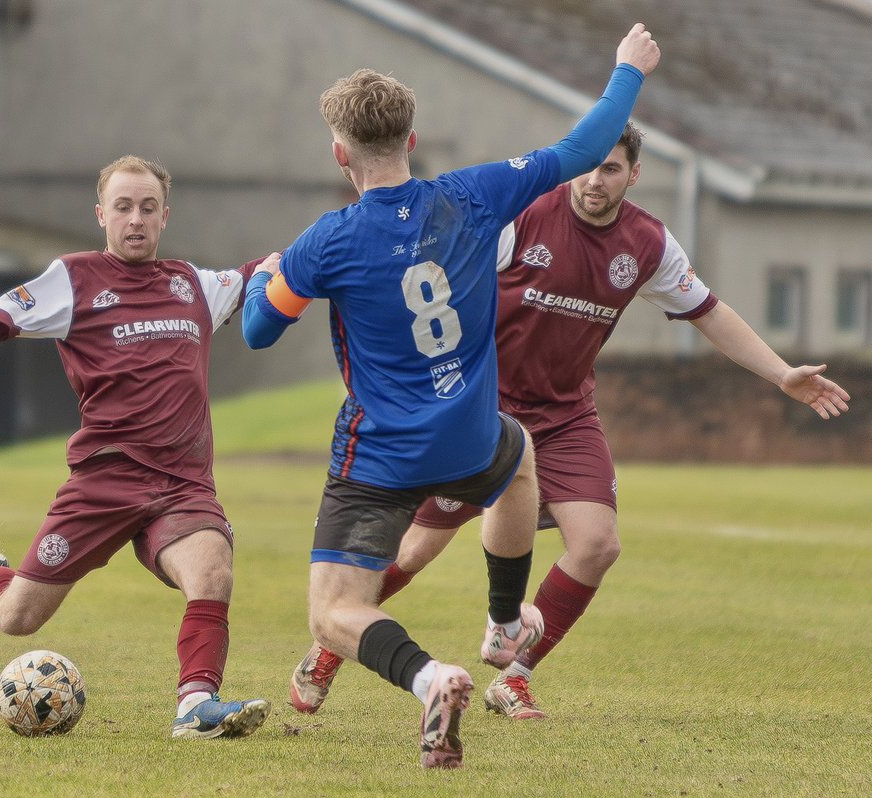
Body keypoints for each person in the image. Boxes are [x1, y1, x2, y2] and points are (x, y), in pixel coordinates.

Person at [288, 122, 853, 722]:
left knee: (598, 544)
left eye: (611, 169)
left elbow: (709, 313)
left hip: (564, 416)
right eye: (589, 165)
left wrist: (782, 373)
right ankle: (332, 641)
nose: (594, 180)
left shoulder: (648, 244)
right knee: (416, 550)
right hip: (479, 410)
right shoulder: (521, 216)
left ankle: (515, 676)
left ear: (634, 175)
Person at [242, 24, 661, 768]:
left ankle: (429, 677)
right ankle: (504, 622)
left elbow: (258, 331)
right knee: (520, 458)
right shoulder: (473, 194)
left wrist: (266, 277)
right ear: (412, 139)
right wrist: (628, 71)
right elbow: (581, 147)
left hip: (379, 458)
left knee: (334, 612)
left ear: (339, 154)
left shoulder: (326, 242)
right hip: (471, 438)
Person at [0, 155, 273, 740]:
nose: (135, 219)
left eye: (148, 208)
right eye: (123, 207)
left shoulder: (195, 285)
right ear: (101, 214)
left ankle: (196, 704)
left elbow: (266, 271)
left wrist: (322, 245)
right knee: (18, 618)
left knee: (213, 571)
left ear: (165, 216)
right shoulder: (72, 279)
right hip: (104, 482)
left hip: (183, 485)